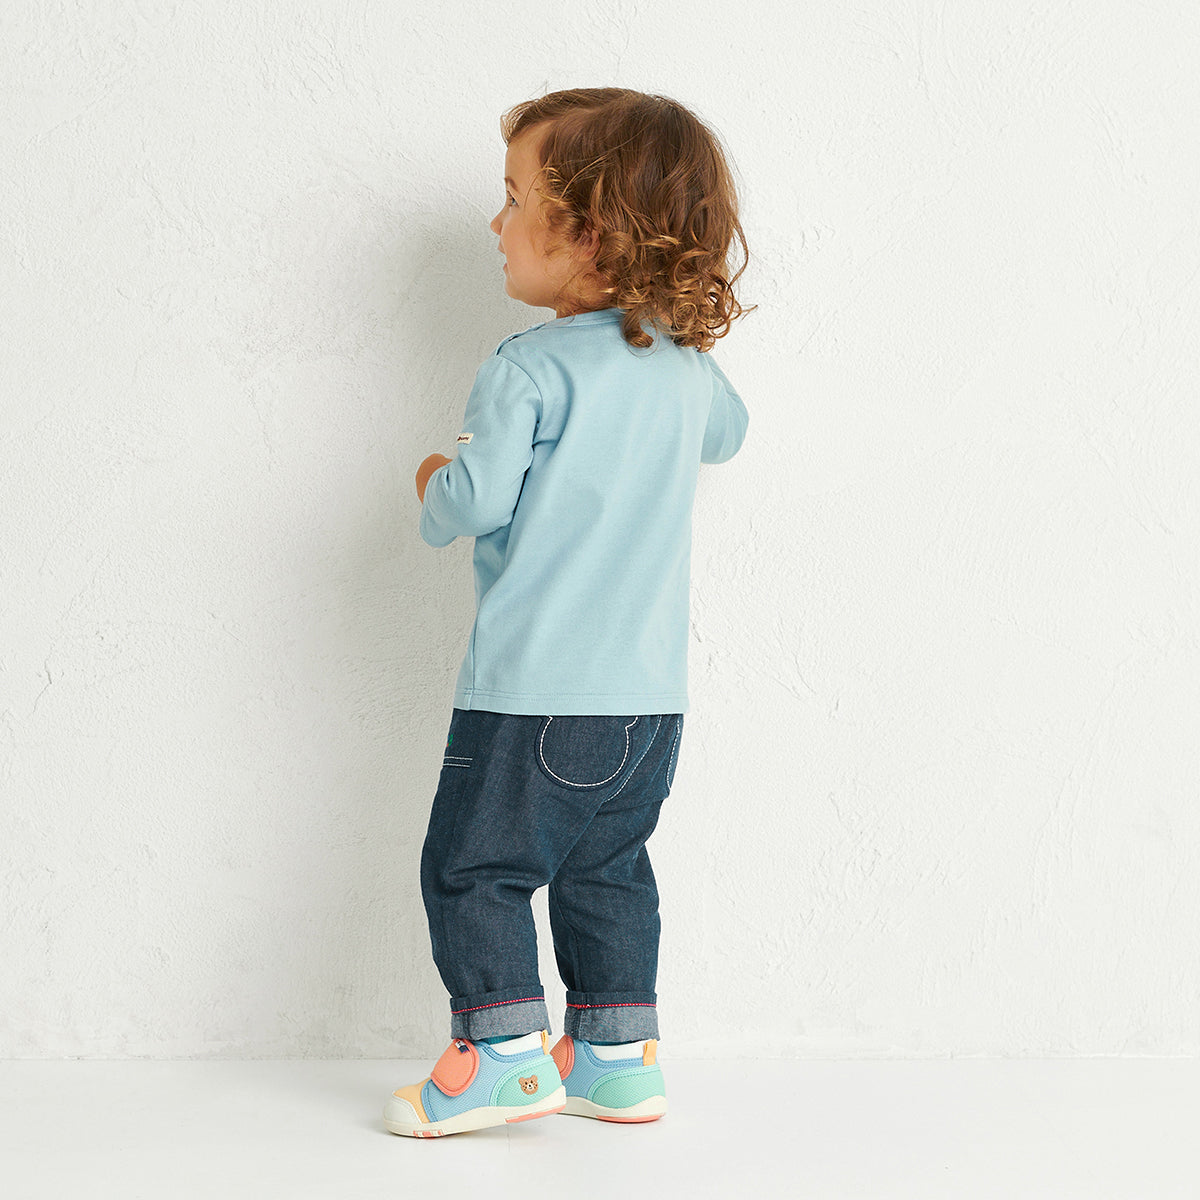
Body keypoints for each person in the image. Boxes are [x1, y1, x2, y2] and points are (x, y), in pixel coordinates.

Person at [384, 87, 752, 1138]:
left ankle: (503, 1057)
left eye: (515, 199)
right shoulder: (686, 369)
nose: (495, 223)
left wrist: (431, 480)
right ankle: (616, 1059)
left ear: (591, 234)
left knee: (475, 869)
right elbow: (728, 435)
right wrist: (673, 356)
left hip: (533, 694)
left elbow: (473, 502)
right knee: (607, 870)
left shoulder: (527, 368)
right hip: (648, 704)